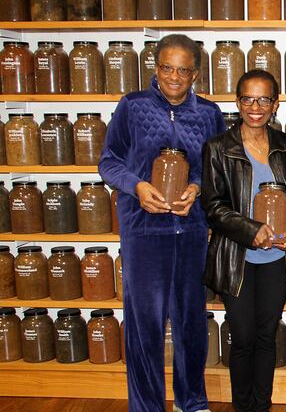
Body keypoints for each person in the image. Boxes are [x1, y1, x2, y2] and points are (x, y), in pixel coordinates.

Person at [99, 34, 225, 412]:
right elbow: (109, 162)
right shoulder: (132, 106)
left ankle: (193, 401)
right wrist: (137, 186)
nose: (174, 77)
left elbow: (212, 167)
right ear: (155, 68)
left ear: (196, 73)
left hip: (189, 230)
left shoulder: (208, 113)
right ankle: (147, 405)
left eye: (184, 70)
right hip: (142, 229)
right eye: (167, 68)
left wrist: (197, 187)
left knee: (190, 321)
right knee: (144, 326)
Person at [201, 69, 286, 412]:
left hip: (277, 260)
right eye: (248, 98)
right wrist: (250, 230)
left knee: (266, 336)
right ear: (238, 101)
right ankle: (242, 406)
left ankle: (262, 405)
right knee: (243, 338)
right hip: (237, 259)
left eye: (264, 99)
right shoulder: (218, 148)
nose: (256, 106)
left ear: (275, 104)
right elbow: (213, 207)